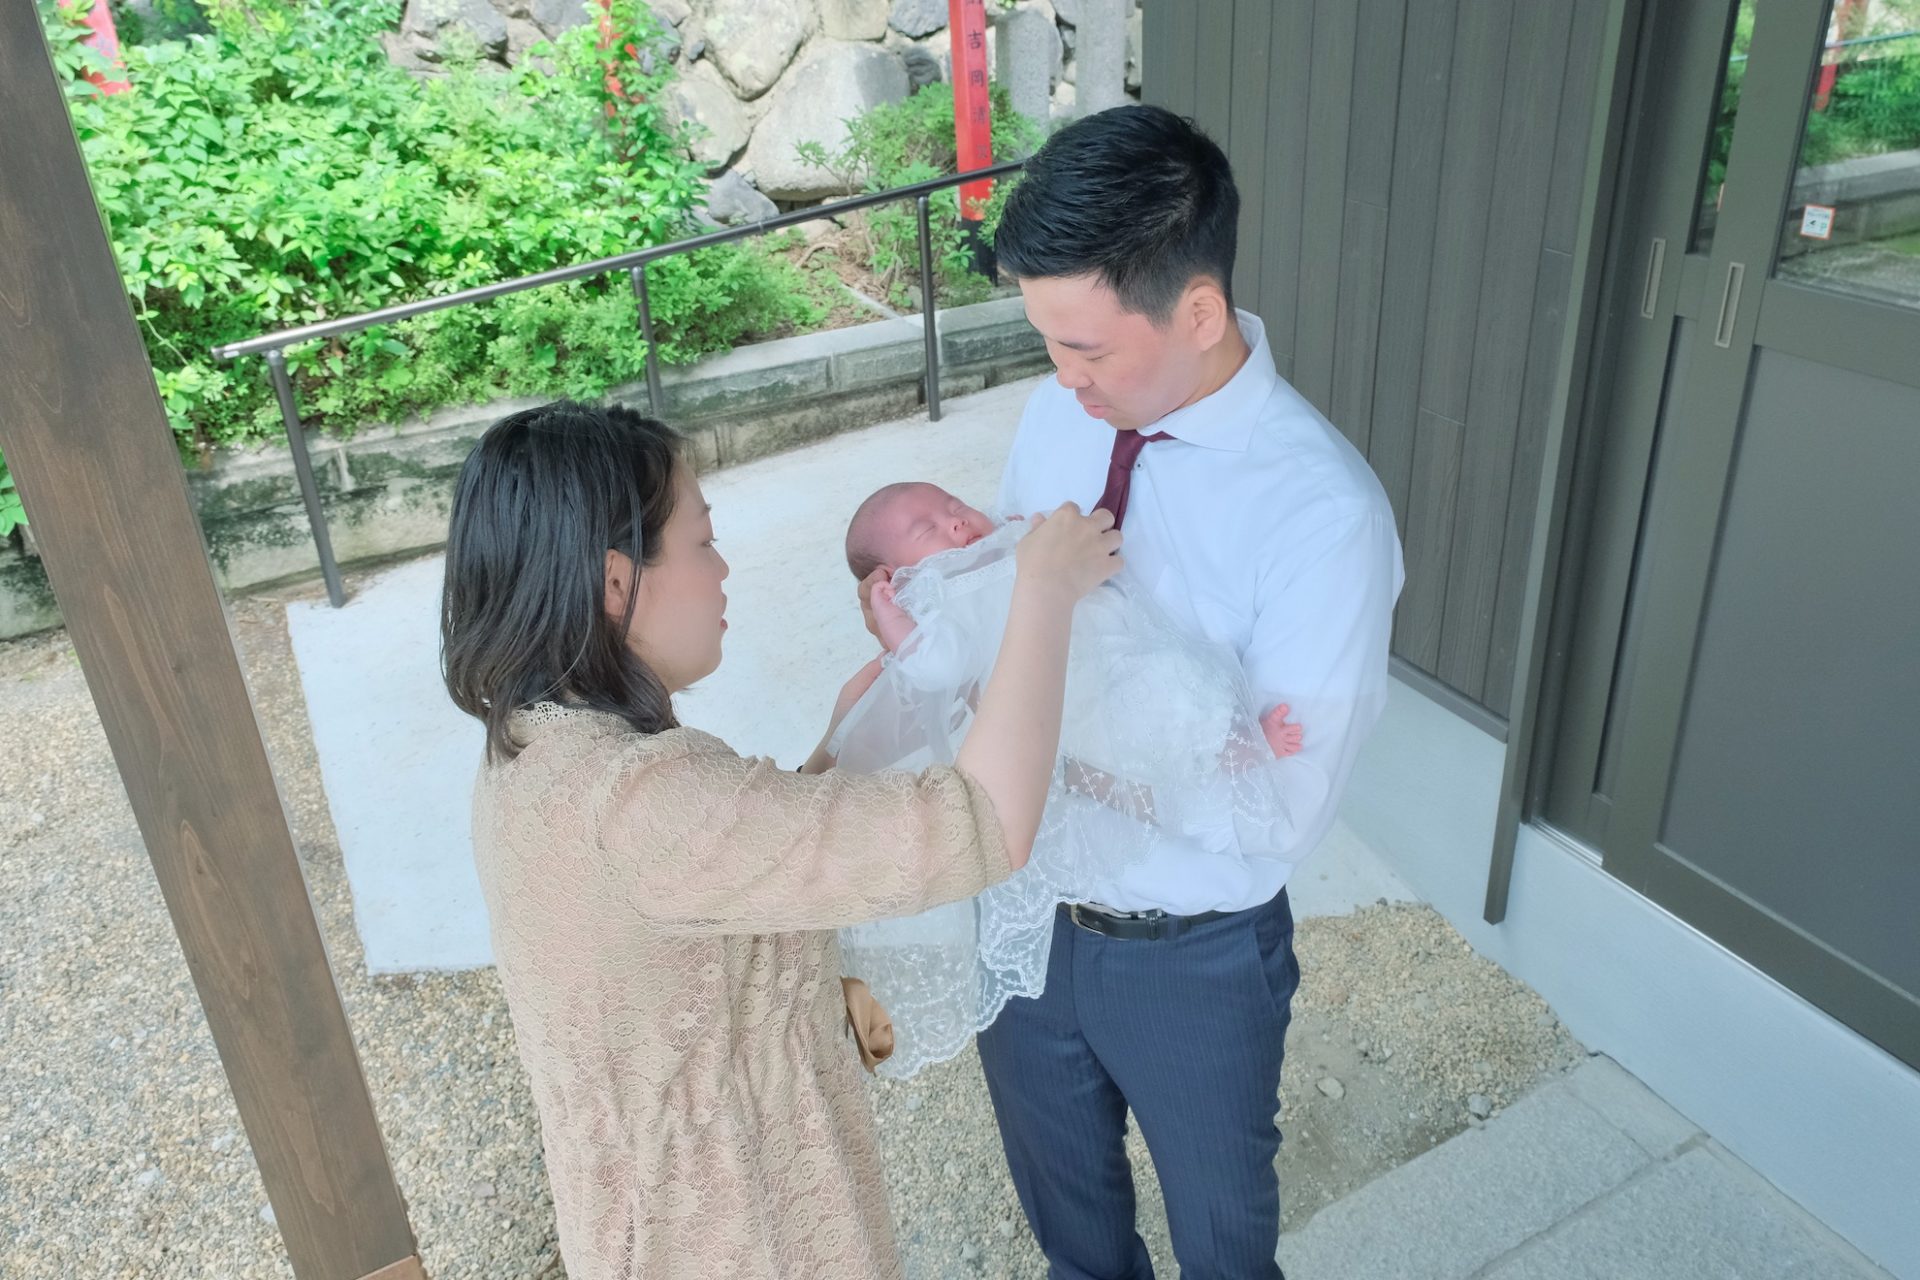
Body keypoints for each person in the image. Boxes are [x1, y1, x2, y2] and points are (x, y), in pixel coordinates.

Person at [860, 105, 1404, 1278]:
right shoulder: (1063, 416)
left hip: (1193, 956)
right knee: (1074, 1241)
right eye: (1048, 341)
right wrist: (936, 640)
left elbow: (1278, 803)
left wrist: (1053, 757)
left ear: (1197, 312)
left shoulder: (1322, 516)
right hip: (1025, 911)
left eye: (1089, 347)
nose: (1062, 378)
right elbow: (1012, 617)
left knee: (1222, 1246)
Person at [439, 400, 1121, 1279]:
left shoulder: (533, 750)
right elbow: (983, 822)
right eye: (702, 541)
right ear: (616, 583)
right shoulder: (641, 798)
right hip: (747, 1237)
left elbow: (723, 876)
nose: (724, 570)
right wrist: (1043, 590)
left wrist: (844, 743)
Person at [831, 481, 1304, 1078]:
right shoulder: (939, 601)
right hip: (1069, 697)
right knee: (1133, 730)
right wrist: (896, 622)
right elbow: (938, 664)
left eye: (953, 507)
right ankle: (1227, 753)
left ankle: (1237, 740)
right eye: (928, 530)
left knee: (1167, 685)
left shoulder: (1001, 539)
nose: (955, 523)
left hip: (1105, 649)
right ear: (894, 578)